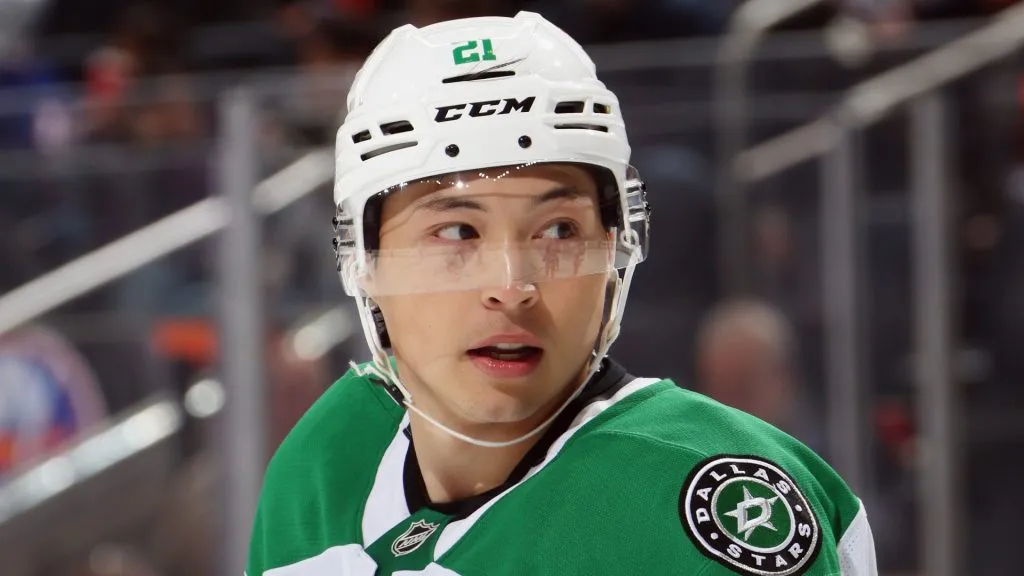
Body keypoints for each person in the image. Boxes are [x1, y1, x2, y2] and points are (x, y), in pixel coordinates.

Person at [246, 11, 877, 576]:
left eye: (558, 231)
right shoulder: (324, 466)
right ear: (364, 261)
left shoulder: (702, 498)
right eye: (456, 231)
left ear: (617, 250)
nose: (511, 288)